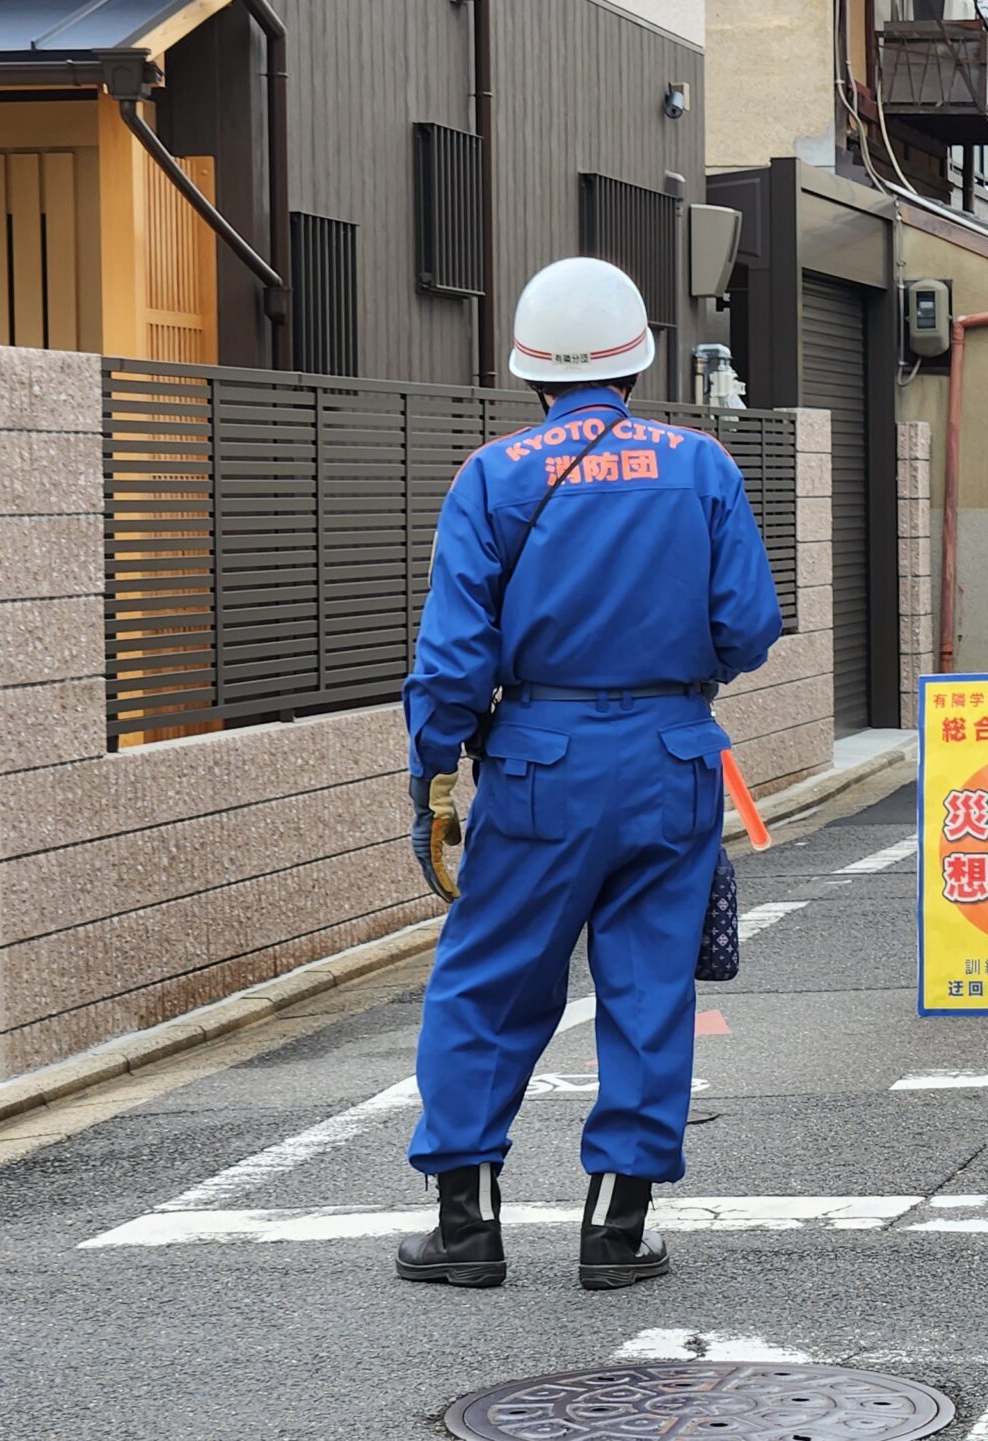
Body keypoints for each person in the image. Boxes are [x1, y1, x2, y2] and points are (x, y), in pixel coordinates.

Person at [397, 256, 783, 1293]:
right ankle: (617, 1228)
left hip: (537, 762)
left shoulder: (496, 474)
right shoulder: (699, 464)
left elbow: (449, 658)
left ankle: (466, 1224)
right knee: (650, 988)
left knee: (487, 982)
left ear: (531, 369)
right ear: (637, 358)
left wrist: (434, 773)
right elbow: (750, 625)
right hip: (671, 758)